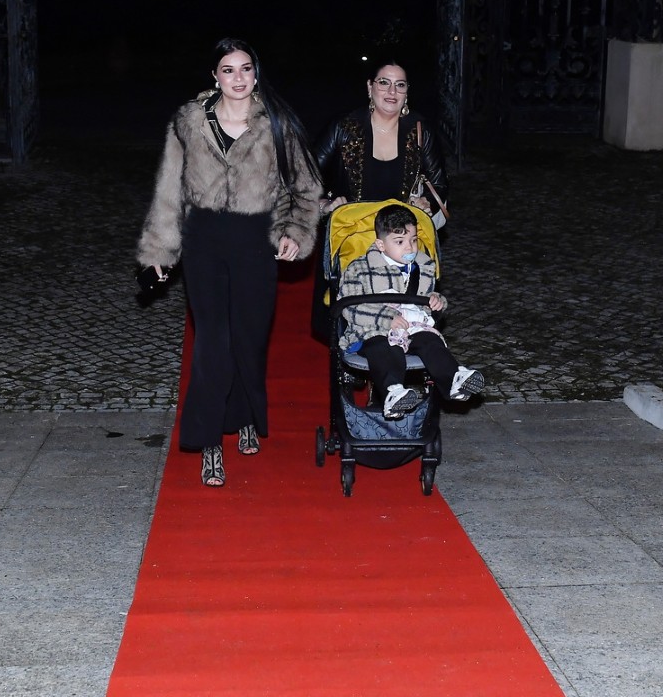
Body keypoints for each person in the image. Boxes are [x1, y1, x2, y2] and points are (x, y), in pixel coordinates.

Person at [137, 38, 324, 486]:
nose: (238, 78)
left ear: (256, 74)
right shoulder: (188, 122)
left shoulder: (276, 123)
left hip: (255, 241)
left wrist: (294, 233)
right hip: (203, 240)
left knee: (248, 340)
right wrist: (160, 253)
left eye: (245, 68)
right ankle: (209, 443)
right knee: (213, 344)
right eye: (228, 69)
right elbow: (169, 190)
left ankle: (243, 414)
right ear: (214, 76)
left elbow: (306, 188)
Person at [336, 203, 484, 420]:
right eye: (400, 242)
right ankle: (393, 392)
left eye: (414, 240)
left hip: (413, 327)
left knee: (430, 341)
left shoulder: (423, 267)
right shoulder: (359, 269)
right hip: (372, 331)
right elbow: (348, 307)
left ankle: (454, 379)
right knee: (386, 348)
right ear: (381, 244)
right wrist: (386, 319)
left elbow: (425, 301)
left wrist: (436, 302)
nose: (410, 248)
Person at [312, 59, 449, 220]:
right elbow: (305, 177)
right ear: (370, 87)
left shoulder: (421, 130)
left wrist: (426, 201)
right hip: (351, 229)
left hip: (401, 230)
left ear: (406, 91)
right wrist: (324, 205)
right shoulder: (343, 127)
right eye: (384, 82)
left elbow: (439, 183)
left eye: (400, 85)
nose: (392, 91)